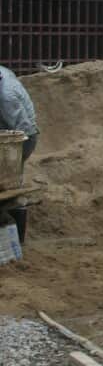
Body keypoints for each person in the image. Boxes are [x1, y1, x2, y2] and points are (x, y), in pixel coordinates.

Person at [0, 65, 38, 243]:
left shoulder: (7, 97)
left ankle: (15, 236)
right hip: (12, 134)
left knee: (9, 185)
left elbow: (21, 132)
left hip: (21, 140)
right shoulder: (2, 72)